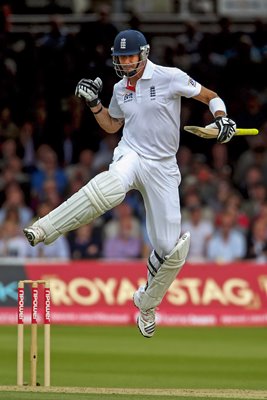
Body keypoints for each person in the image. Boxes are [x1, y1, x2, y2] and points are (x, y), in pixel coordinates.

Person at [23, 29, 236, 338]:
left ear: (143, 54)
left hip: (163, 166)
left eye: (129, 56)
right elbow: (112, 123)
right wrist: (95, 103)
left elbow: (210, 96)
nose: (124, 62)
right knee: (111, 186)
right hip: (132, 154)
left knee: (171, 249)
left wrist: (222, 118)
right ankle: (44, 228)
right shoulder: (120, 88)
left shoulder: (169, 77)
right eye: (120, 57)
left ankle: (146, 304)